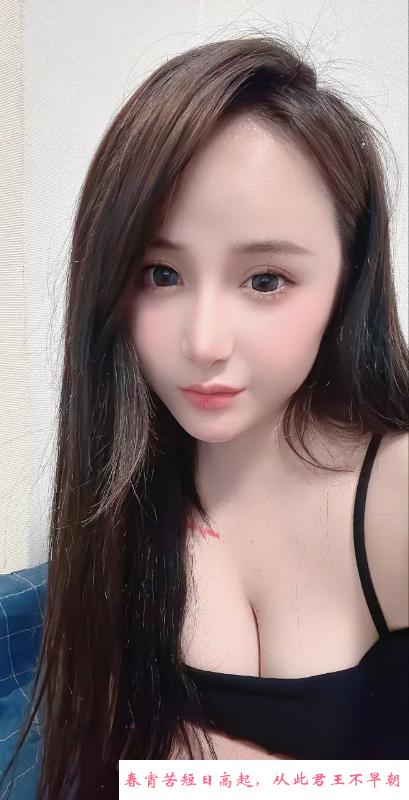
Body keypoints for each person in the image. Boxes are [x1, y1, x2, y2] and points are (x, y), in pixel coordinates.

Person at [1, 33, 408, 799]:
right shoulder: (123, 484)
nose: (203, 343)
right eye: (161, 274)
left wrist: (230, 773)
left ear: (347, 281)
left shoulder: (395, 495)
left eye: (265, 279)